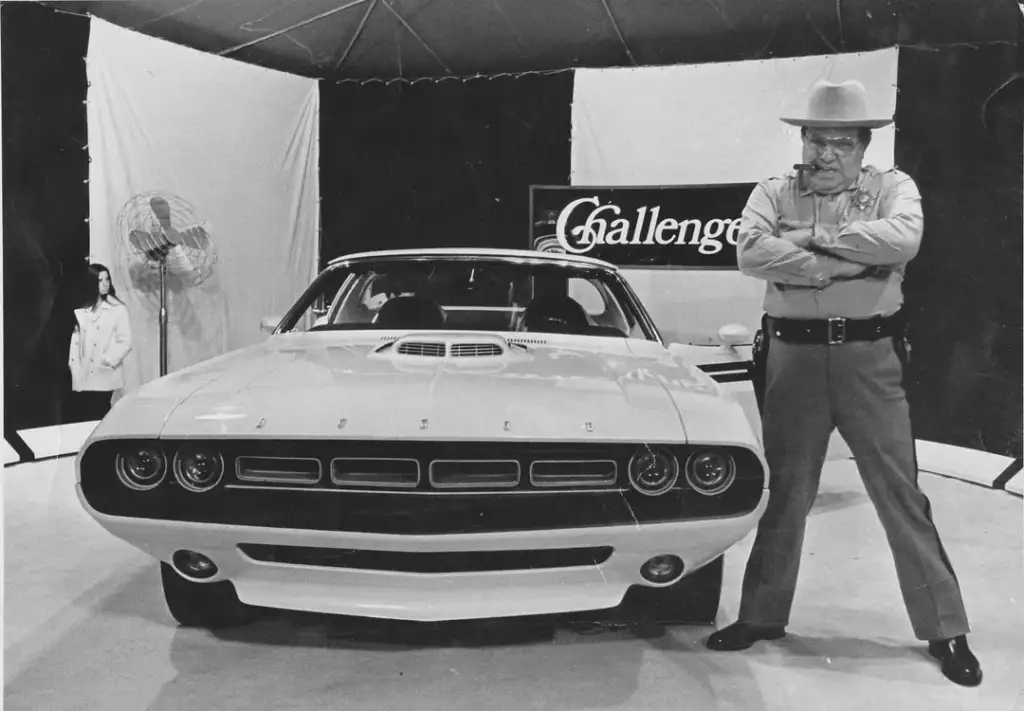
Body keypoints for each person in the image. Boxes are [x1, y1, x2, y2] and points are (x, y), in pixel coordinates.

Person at [706, 79, 982, 688]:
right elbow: (749, 254)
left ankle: (946, 628)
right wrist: (849, 260)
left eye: (839, 141)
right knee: (785, 490)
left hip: (870, 356)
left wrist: (809, 242)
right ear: (801, 139)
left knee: (899, 491)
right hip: (792, 358)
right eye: (815, 138)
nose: (824, 152)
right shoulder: (773, 190)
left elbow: (903, 238)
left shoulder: (893, 187)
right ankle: (761, 616)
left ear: (863, 145)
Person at [68, 263, 133, 422]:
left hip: (104, 373)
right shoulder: (82, 310)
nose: (105, 284)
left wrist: (107, 360)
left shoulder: (117, 309)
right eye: (100, 280)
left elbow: (125, 341)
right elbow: (75, 342)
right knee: (85, 417)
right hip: (84, 373)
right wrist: (74, 366)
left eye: (107, 279)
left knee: (100, 413)